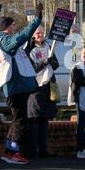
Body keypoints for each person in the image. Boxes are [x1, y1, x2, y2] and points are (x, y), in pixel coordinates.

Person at [0, 3, 43, 164]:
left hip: (18, 86)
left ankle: (8, 152)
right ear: (6, 27)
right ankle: (13, 153)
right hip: (15, 87)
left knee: (17, 120)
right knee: (20, 121)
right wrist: (36, 21)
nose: (15, 26)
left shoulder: (7, 42)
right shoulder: (5, 41)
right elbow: (21, 37)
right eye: (12, 24)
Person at [25, 25, 58, 159]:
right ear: (32, 35)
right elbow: (31, 69)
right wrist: (45, 61)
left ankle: (43, 150)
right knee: (34, 120)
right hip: (35, 87)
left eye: (41, 33)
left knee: (44, 120)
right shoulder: (28, 50)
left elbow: (55, 65)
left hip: (48, 86)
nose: (40, 35)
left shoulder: (49, 46)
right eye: (37, 33)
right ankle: (33, 151)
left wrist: (52, 61)